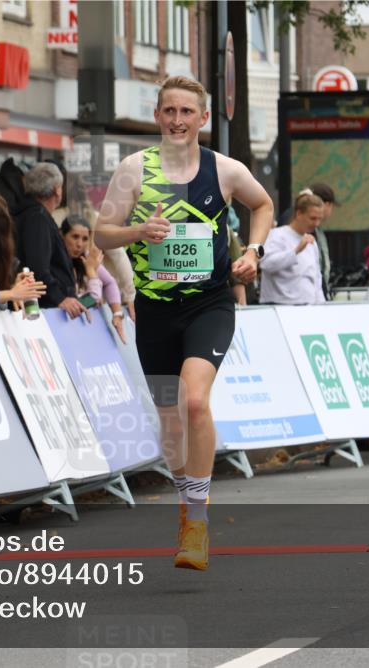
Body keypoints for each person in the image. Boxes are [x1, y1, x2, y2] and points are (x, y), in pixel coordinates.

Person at [94, 75, 273, 571]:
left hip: (209, 303)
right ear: (157, 116)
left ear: (203, 118)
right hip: (154, 309)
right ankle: (185, 501)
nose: (177, 120)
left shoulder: (225, 170)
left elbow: (263, 205)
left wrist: (254, 251)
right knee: (170, 418)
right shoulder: (133, 171)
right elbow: (101, 235)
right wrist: (137, 230)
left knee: (195, 400)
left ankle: (197, 518)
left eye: (186, 112)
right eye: (169, 111)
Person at [13, 162, 83, 316]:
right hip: (45, 311)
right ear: (57, 190)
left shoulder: (30, 214)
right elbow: (38, 267)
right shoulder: (37, 218)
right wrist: (60, 298)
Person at [61, 215, 126, 340]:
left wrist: (117, 314)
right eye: (75, 237)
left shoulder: (85, 257)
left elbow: (110, 282)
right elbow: (92, 299)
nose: (79, 244)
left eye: (85, 239)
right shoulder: (56, 260)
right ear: (62, 235)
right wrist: (91, 271)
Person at [260, 191, 326, 305]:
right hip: (279, 305)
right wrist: (296, 251)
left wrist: (321, 304)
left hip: (308, 306)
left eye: (320, 219)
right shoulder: (276, 235)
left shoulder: (311, 242)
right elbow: (265, 264)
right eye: (313, 218)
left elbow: (316, 277)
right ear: (299, 213)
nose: (316, 223)